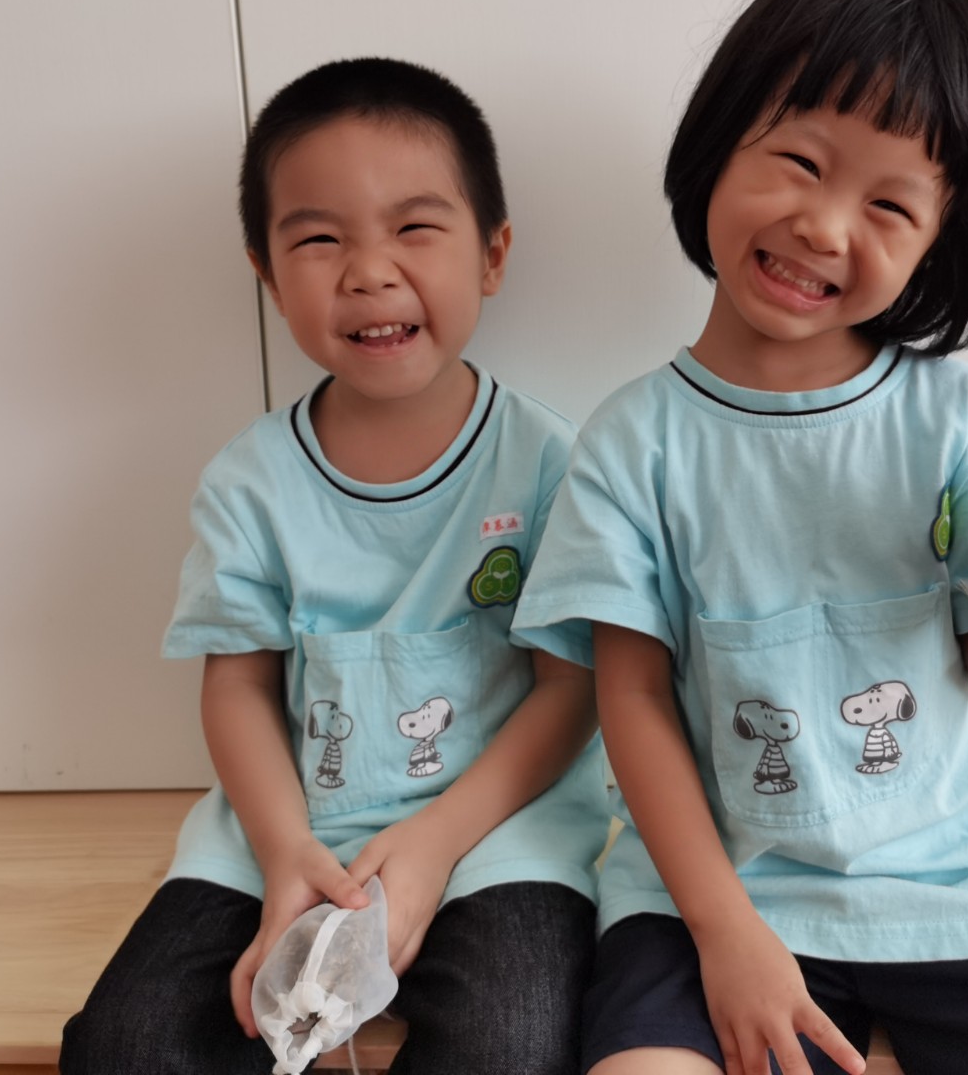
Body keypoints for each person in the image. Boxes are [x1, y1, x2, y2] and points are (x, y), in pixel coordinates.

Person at [512, 0, 968, 1075]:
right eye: (800, 161)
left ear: (939, 240)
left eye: (889, 204)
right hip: (715, 892)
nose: (825, 226)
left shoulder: (955, 417)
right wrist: (726, 933)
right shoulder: (632, 442)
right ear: (718, 142)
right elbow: (629, 701)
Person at [62, 57, 608, 1075]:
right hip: (278, 833)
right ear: (267, 274)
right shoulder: (250, 481)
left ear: (492, 254)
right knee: (125, 1046)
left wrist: (435, 844)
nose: (368, 271)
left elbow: (571, 689)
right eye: (319, 240)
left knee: (511, 1044)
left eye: (414, 227)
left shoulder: (548, 462)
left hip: (499, 835)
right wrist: (284, 856)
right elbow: (237, 686)